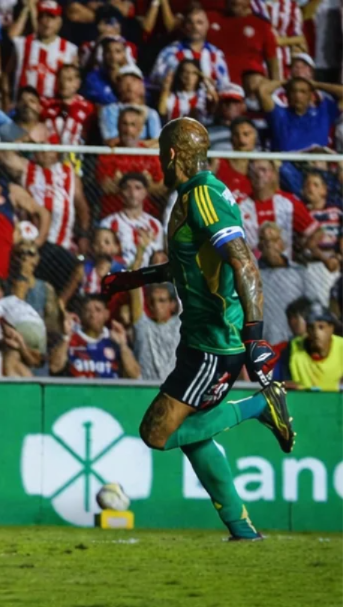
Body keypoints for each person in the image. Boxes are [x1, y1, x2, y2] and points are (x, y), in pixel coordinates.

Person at [101, 116, 295, 541]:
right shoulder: (197, 195)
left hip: (214, 345)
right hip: (200, 341)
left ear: (171, 155)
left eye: (159, 156)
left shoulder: (203, 195)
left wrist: (254, 334)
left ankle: (259, 406)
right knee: (193, 437)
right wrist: (136, 278)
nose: (158, 165)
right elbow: (189, 263)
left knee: (156, 432)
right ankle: (242, 531)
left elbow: (242, 260)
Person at [50, 295, 139, 379]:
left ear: (106, 314)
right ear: (81, 314)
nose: (92, 315)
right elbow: (54, 367)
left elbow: (135, 375)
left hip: (109, 392)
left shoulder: (114, 340)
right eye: (88, 310)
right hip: (78, 392)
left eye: (98, 310)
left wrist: (123, 345)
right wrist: (66, 337)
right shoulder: (72, 338)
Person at [10, 0, 78, 101]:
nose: (46, 22)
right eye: (42, 17)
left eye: (52, 17)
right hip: (23, 108)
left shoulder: (70, 49)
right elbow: (7, 75)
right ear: (37, 19)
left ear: (59, 22)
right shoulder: (22, 44)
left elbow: (74, 82)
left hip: (54, 109)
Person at [149, 7, 229, 88]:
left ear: (207, 25)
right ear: (184, 27)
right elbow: (154, 83)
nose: (195, 27)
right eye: (190, 23)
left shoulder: (216, 54)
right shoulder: (169, 52)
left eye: (199, 22)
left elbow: (224, 86)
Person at [100, 173, 166, 268]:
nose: (132, 192)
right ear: (121, 193)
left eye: (138, 188)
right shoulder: (108, 223)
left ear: (145, 193)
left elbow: (158, 255)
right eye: (127, 188)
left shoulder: (155, 224)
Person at [273, 303, 343, 391]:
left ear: (331, 328)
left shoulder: (341, 348)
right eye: (311, 327)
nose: (315, 332)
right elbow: (277, 382)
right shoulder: (291, 348)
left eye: (321, 327)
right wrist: (283, 385)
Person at [132, 283, 181, 381]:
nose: (156, 305)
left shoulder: (180, 325)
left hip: (173, 390)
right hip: (146, 389)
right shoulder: (143, 326)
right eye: (152, 301)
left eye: (161, 301)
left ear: (172, 304)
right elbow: (134, 289)